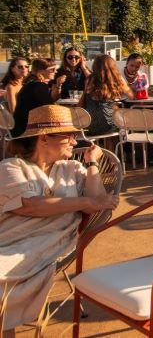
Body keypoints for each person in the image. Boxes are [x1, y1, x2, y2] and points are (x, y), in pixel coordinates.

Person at [0, 105, 119, 336]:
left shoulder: (72, 168)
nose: (75, 142)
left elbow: (99, 200)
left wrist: (92, 163)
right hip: (12, 240)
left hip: (53, 243)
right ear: (44, 139)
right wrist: (84, 203)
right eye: (69, 136)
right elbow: (30, 206)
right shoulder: (12, 167)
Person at [81, 55, 133, 136]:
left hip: (90, 126)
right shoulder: (117, 79)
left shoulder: (89, 80)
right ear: (113, 66)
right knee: (127, 121)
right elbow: (131, 96)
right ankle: (118, 147)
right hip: (109, 126)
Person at [11, 59, 59, 138]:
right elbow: (50, 110)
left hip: (19, 130)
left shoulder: (30, 84)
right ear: (41, 72)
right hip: (28, 133)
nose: (56, 72)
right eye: (53, 69)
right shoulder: (39, 86)